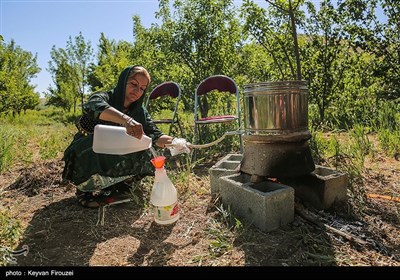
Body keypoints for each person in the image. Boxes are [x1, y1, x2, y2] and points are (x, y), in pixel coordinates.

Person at [62, 65, 186, 208]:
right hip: (90, 150)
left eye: (142, 88)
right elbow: (93, 106)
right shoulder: (106, 97)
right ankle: (86, 190)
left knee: (147, 149)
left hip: (117, 150)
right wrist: (126, 120)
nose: (137, 91)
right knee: (93, 146)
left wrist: (176, 142)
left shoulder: (139, 112)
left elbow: (155, 135)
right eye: (134, 84)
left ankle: (121, 185)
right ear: (123, 82)